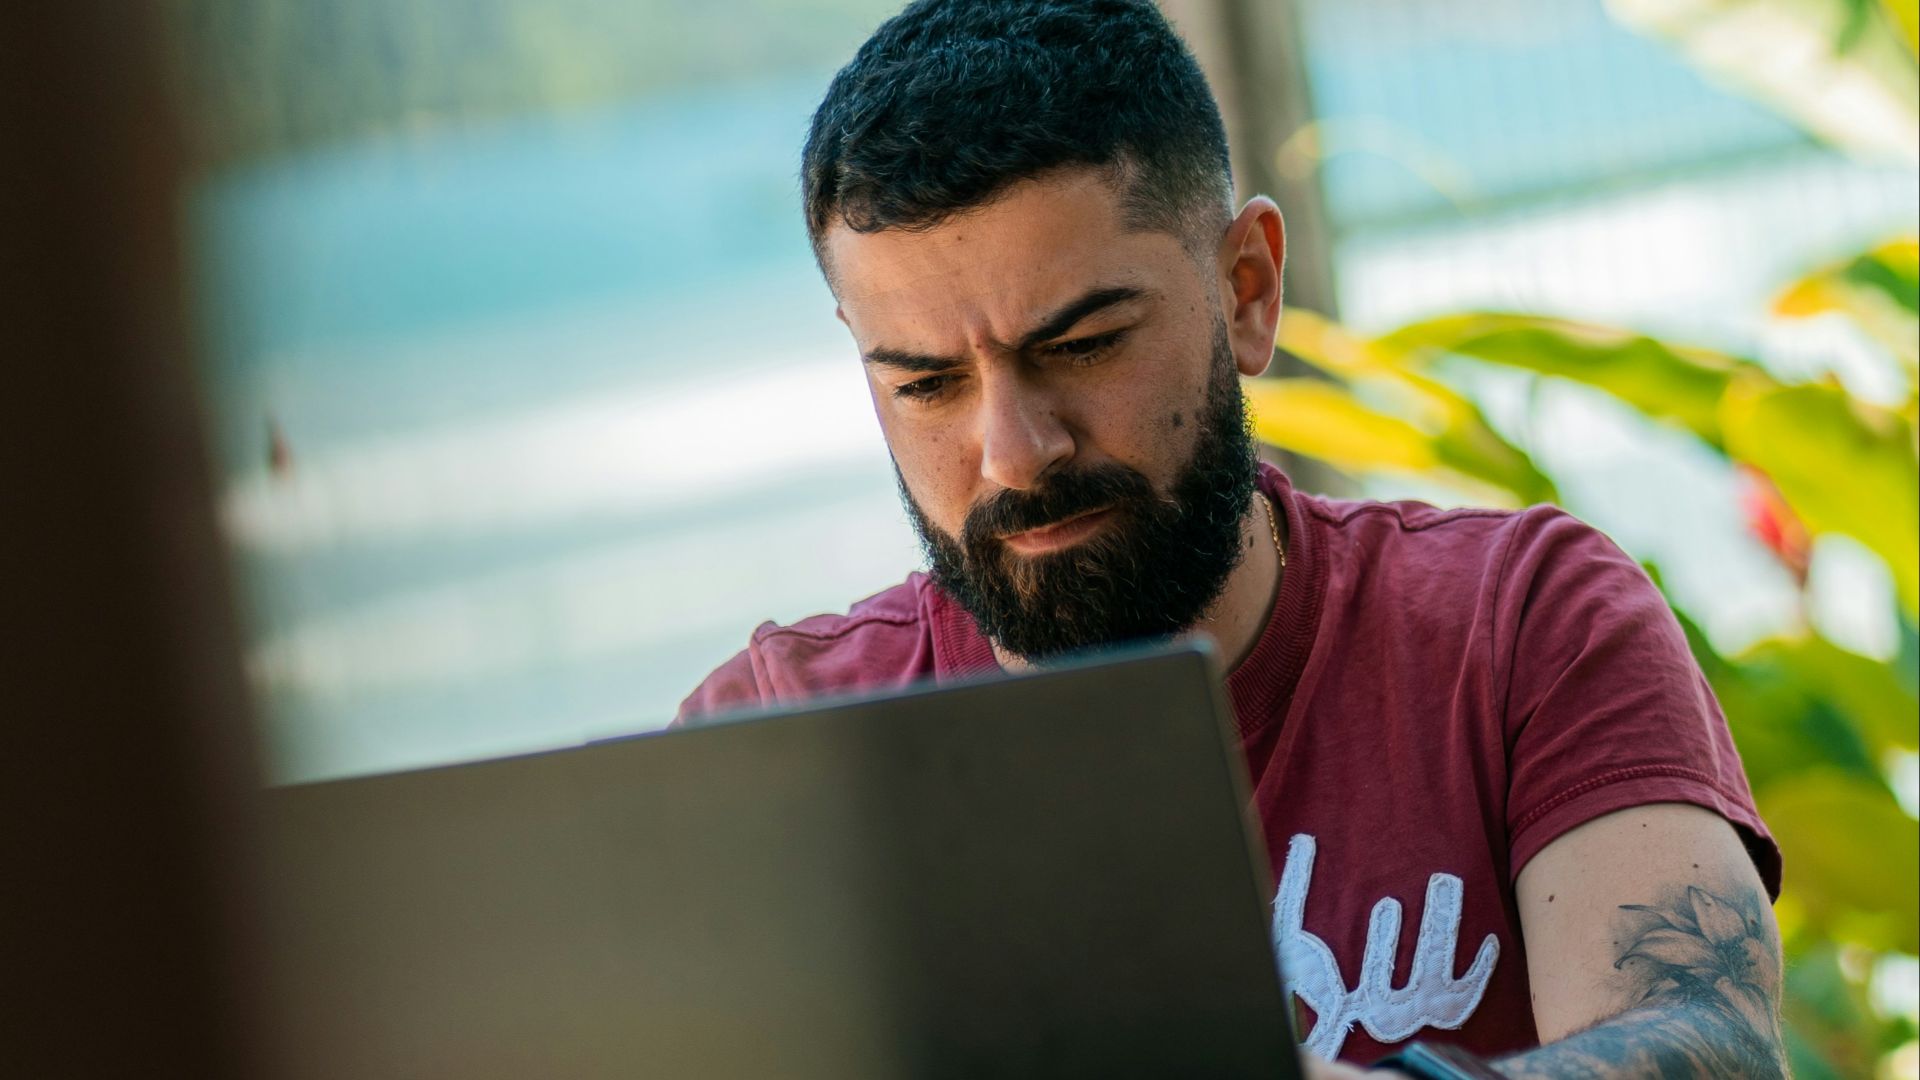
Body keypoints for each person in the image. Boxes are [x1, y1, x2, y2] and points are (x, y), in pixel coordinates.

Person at [678, 1, 1785, 1074]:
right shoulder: (774, 741)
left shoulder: (1519, 628)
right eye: (926, 384)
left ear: (1247, 288)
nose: (1014, 450)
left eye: (1084, 344)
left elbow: (1706, 1040)